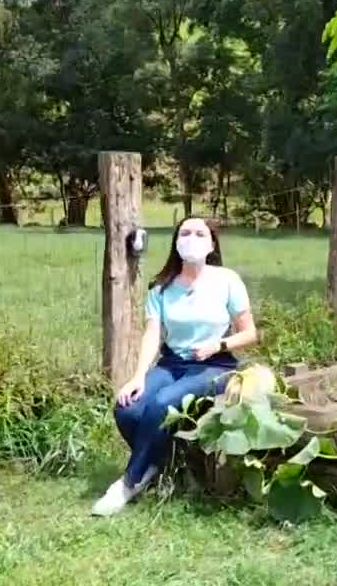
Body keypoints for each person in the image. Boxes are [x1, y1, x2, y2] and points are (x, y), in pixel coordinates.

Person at [91, 216, 258, 517]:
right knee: (127, 406)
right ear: (176, 241)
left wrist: (218, 345)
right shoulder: (161, 288)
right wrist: (138, 376)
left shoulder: (227, 280)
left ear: (211, 244)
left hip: (215, 365)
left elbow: (249, 334)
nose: (191, 238)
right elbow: (152, 334)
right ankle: (161, 465)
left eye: (199, 233)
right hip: (172, 363)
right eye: (185, 232)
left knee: (162, 402)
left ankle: (129, 482)